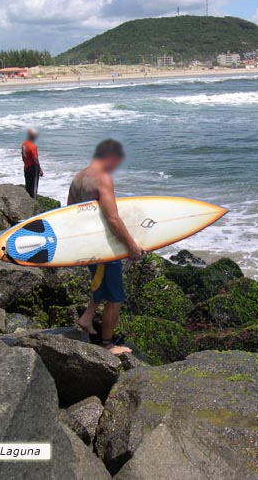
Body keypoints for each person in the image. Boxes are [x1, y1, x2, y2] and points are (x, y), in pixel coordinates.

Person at [68, 139, 145, 355]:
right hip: (104, 246)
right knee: (115, 297)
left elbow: (69, 213)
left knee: (101, 285)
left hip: (88, 243)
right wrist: (131, 245)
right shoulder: (103, 179)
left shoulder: (78, 177)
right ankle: (107, 344)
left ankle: (86, 318)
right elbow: (112, 218)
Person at [21, 129, 43, 198]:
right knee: (33, 188)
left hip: (26, 167)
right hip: (32, 168)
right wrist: (40, 170)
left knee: (28, 186)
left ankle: (27, 199)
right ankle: (33, 201)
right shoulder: (32, 146)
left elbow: (22, 155)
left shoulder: (24, 144)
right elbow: (35, 159)